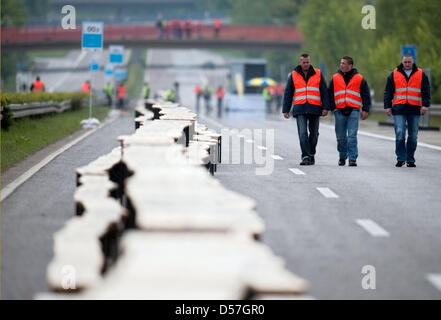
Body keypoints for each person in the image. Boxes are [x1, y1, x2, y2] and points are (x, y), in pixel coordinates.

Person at [384, 53, 431, 167]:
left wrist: (425, 105)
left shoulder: (421, 74)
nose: (407, 64)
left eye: (409, 62)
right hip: (399, 108)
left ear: (413, 62)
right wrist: (387, 106)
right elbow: (388, 92)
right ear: (402, 62)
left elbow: (426, 90)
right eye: (405, 62)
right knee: (400, 132)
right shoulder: (394, 74)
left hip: (414, 108)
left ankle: (410, 159)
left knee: (413, 135)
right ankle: (401, 158)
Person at [282, 53, 330, 165]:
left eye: (307, 62)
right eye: (304, 62)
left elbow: (324, 92)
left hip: (314, 108)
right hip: (300, 108)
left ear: (310, 62)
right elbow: (288, 93)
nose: (306, 64)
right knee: (303, 133)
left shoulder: (318, 73)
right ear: (300, 62)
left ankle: (311, 153)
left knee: (314, 135)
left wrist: (325, 107)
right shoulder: (293, 75)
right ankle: (305, 156)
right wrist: (286, 109)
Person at [328, 56, 371, 167]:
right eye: (341, 63)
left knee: (352, 135)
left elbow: (366, 94)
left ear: (350, 66)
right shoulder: (335, 77)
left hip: (354, 110)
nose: (341, 65)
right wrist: (333, 108)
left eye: (344, 63)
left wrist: (366, 109)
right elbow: (329, 94)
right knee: (341, 137)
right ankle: (342, 156)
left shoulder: (359, 78)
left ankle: (352, 158)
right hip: (339, 110)